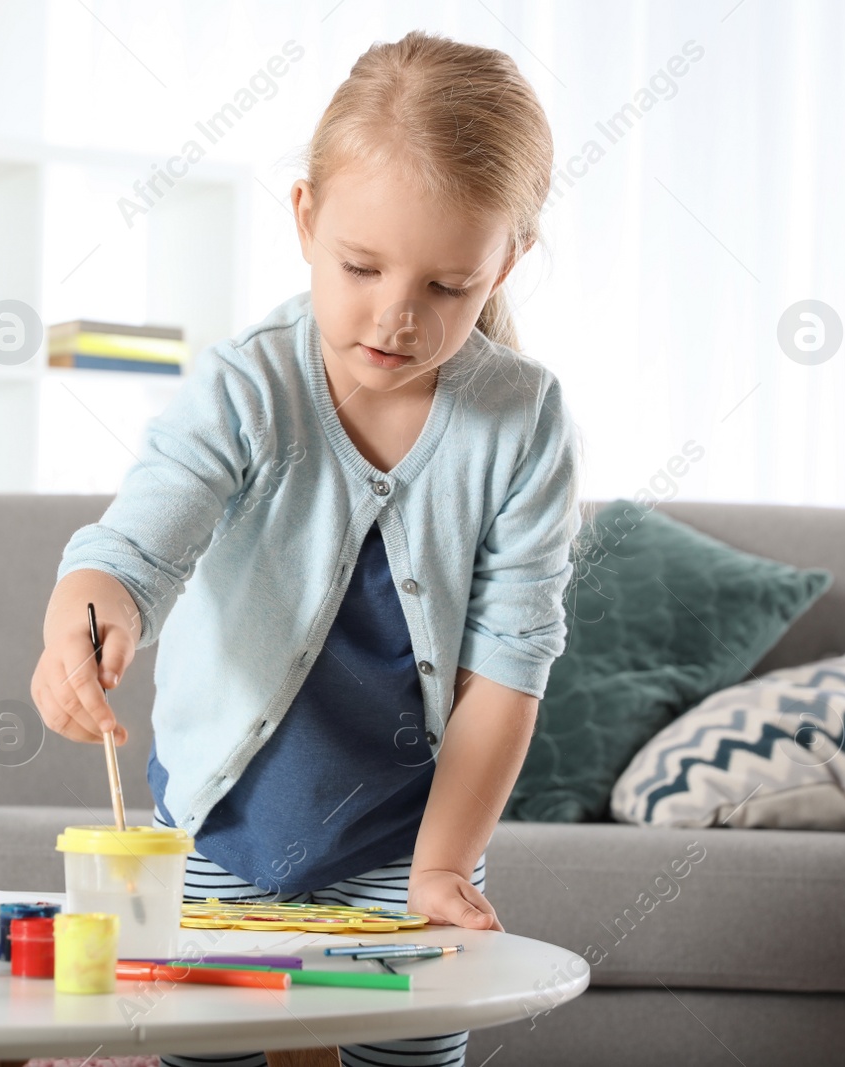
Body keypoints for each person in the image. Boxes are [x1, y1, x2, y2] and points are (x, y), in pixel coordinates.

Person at [31, 30, 581, 1067]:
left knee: (410, 1053)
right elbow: (135, 549)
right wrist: (82, 622)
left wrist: (441, 866)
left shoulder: (522, 420)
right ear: (304, 218)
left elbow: (508, 666)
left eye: (447, 286)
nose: (395, 316)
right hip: (214, 829)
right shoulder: (245, 389)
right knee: (206, 1051)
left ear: (505, 261)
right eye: (362, 266)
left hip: (402, 840)